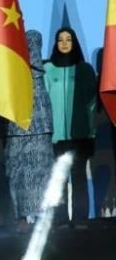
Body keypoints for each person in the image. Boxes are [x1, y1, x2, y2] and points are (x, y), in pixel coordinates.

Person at [44, 27, 99, 228]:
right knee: (58, 178)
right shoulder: (48, 69)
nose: (64, 43)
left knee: (78, 177)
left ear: (74, 42)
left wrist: (86, 124)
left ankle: (81, 218)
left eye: (68, 39)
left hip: (80, 134)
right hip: (56, 135)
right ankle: (59, 220)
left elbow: (92, 100)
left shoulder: (84, 69)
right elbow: (45, 101)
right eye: (60, 40)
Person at [3, 30, 55, 232]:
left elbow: (32, 56)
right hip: (16, 127)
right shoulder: (8, 70)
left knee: (40, 174)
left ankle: (42, 218)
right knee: (17, 173)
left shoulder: (36, 70)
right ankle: (21, 218)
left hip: (38, 128)